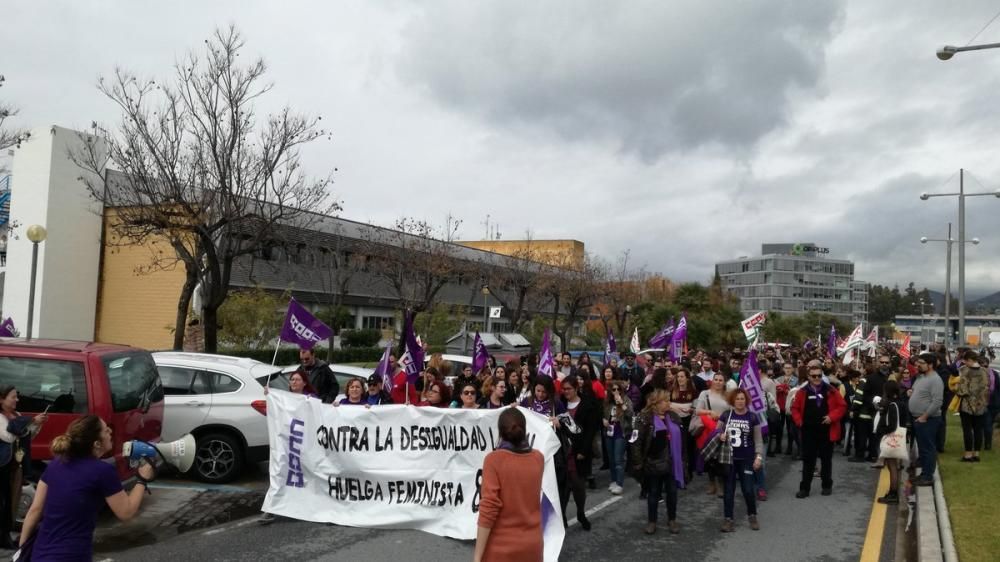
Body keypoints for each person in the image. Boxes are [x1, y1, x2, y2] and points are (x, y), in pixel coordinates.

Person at [20, 415, 156, 559]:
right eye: (105, 430)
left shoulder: (56, 464)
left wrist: (22, 551)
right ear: (96, 444)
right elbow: (126, 512)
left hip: (40, 553)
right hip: (72, 555)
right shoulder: (103, 471)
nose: (110, 431)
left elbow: (35, 510)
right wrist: (142, 479)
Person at [473, 408, 544, 562]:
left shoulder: (494, 460)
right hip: (533, 545)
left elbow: (489, 507)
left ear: (500, 432)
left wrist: (477, 557)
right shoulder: (538, 458)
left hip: (501, 549)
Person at [632, 389, 685, 535]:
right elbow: (636, 441)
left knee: (672, 492)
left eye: (669, 400)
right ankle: (652, 521)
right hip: (653, 463)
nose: (669, 403)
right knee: (653, 492)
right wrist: (638, 463)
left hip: (672, 462)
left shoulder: (673, 416)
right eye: (665, 400)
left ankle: (672, 519)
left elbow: (682, 440)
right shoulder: (644, 418)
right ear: (656, 403)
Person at [0, 386, 48, 549]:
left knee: (13, 499)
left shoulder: (18, 416)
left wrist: (37, 424)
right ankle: (3, 535)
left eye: (16, 396)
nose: (17, 400)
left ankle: (5, 533)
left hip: (15, 465)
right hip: (2, 465)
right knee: (2, 500)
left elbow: (27, 435)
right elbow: (7, 437)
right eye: (13, 397)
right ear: (1, 399)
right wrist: (30, 421)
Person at [792, 360, 847, 498]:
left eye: (819, 375)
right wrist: (799, 422)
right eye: (814, 376)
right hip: (808, 431)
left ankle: (827, 485)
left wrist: (831, 417)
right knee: (808, 461)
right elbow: (795, 409)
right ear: (809, 377)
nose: (817, 378)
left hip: (826, 430)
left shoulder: (831, 390)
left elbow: (842, 406)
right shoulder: (802, 391)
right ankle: (805, 488)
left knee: (826, 460)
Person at [717, 389, 764, 532]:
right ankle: (728, 519)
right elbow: (716, 432)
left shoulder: (752, 417)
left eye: (742, 398)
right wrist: (720, 435)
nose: (740, 401)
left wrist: (758, 457)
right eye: (737, 399)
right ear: (733, 400)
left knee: (748, 490)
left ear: (746, 400)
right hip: (729, 459)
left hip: (746, 458)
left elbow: (758, 440)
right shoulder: (726, 415)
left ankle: (752, 515)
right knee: (729, 491)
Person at [558, 375, 600, 530]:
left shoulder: (588, 404)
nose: (566, 391)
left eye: (569, 389)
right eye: (564, 389)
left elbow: (591, 430)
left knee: (577, 485)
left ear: (576, 388)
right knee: (562, 486)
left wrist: (583, 450)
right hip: (562, 451)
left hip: (579, 451)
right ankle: (561, 516)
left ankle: (581, 512)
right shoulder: (560, 403)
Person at [694, 372, 731, 496]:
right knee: (710, 457)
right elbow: (698, 410)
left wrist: (722, 416)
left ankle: (721, 484)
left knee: (720, 457)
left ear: (724, 382)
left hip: (722, 429)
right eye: (716, 379)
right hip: (708, 429)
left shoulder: (728, 396)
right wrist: (710, 412)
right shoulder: (704, 394)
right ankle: (711, 482)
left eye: (721, 380)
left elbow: (732, 412)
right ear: (712, 380)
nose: (718, 382)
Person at [910, 353, 944, 486]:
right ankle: (924, 473)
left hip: (928, 420)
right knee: (923, 448)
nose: (918, 365)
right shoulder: (921, 377)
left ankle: (928, 476)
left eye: (922, 363)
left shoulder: (935, 380)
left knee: (928, 448)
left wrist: (924, 416)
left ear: (930, 365)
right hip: (919, 418)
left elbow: (937, 402)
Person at [876, 381, 910, 504]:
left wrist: (882, 431)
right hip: (900, 437)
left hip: (892, 437)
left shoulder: (892, 405)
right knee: (895, 465)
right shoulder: (901, 403)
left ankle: (893, 493)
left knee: (892, 466)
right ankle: (893, 492)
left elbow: (891, 425)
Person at [955, 351, 990, 462]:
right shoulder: (985, 371)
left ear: (969, 360)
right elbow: (987, 387)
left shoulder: (964, 370)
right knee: (978, 430)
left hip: (967, 404)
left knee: (967, 430)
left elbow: (962, 390)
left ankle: (968, 454)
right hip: (981, 404)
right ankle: (977, 454)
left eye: (965, 360)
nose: (964, 362)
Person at [602, 380, 633, 495]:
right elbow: (604, 414)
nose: (616, 392)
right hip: (610, 432)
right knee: (611, 459)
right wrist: (604, 420)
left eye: (618, 389)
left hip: (621, 432)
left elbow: (630, 415)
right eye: (613, 389)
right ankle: (614, 480)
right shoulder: (608, 402)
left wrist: (621, 404)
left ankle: (620, 484)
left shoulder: (626, 400)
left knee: (618, 459)